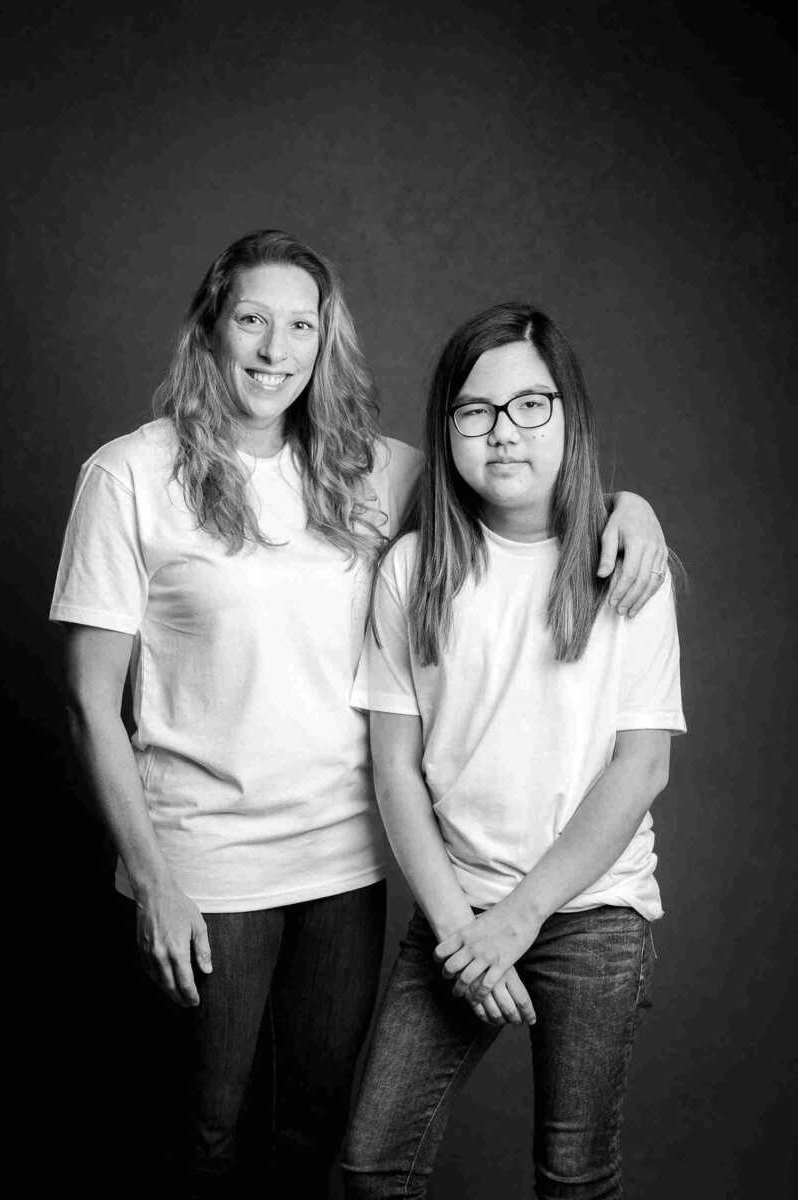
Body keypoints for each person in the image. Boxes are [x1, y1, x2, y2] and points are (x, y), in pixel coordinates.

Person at [50, 231, 668, 1198]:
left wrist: (631, 507)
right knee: (205, 1131)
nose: (273, 349)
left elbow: (515, 475)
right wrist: (151, 876)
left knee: (313, 1129)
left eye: (301, 325)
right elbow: (92, 700)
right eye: (251, 319)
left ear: (325, 339)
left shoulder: (370, 470)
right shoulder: (130, 475)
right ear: (210, 328)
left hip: (340, 865)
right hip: (205, 865)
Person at [343, 301, 686, 1200]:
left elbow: (641, 768)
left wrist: (522, 918)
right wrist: (465, 930)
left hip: (590, 914)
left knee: (573, 1178)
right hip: (456, 911)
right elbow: (394, 771)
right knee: (374, 1166)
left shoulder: (628, 568)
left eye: (530, 405)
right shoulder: (414, 571)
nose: (503, 433)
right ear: (447, 430)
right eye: (475, 411)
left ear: (568, 416)